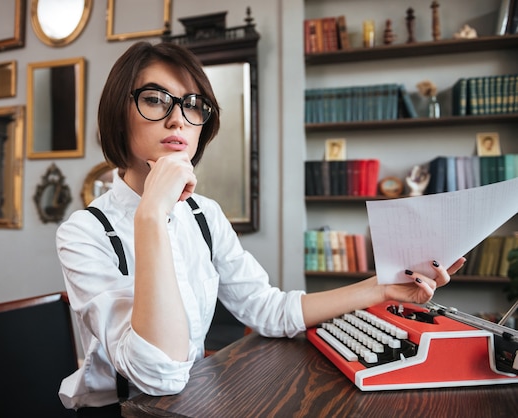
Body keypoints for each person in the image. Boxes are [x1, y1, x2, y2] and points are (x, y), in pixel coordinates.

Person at [55, 41, 465, 416]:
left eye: (193, 105)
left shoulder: (204, 215)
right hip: (122, 411)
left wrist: (381, 288)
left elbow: (269, 311)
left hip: (191, 402)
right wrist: (151, 215)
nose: (178, 118)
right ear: (117, 112)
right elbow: (159, 375)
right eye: (155, 99)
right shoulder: (83, 234)